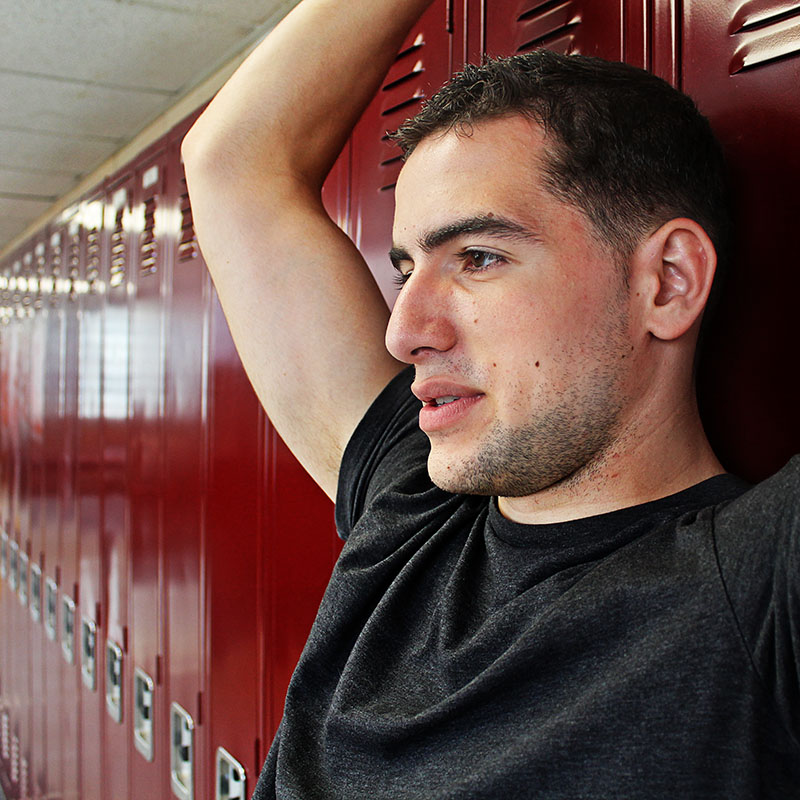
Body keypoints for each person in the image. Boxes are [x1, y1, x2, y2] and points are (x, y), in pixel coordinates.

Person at [182, 0, 799, 797]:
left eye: (478, 257)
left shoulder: (755, 588)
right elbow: (231, 165)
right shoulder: (409, 514)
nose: (404, 332)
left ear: (667, 282)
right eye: (408, 268)